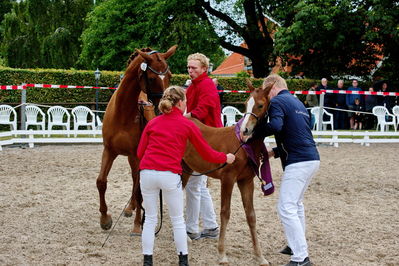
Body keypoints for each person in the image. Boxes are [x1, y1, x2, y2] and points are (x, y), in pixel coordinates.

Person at [137, 86, 235, 266]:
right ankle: (183, 261)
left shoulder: (153, 123)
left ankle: (148, 261)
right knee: (177, 220)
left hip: (147, 173)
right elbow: (207, 153)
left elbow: (139, 152)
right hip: (169, 174)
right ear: (181, 103)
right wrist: (225, 158)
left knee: (150, 219)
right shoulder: (187, 124)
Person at [248, 74, 320, 266]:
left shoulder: (278, 101)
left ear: (271, 88)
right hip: (311, 158)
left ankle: (300, 257)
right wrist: (275, 151)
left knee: (286, 207)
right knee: (296, 205)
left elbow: (277, 126)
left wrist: (254, 133)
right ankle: (294, 244)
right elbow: (297, 133)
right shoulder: (297, 103)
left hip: (298, 161)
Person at [184, 53, 223, 240]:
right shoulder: (193, 86)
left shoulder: (206, 85)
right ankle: (211, 225)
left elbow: (202, 110)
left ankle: (191, 228)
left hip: (207, 137)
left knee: (194, 184)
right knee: (198, 184)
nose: (190, 71)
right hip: (200, 136)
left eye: (194, 68)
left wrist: (182, 118)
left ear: (204, 69)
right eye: (189, 68)